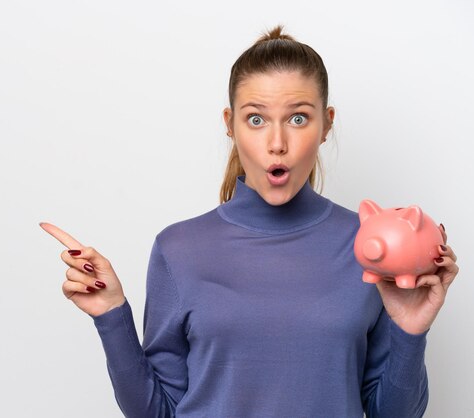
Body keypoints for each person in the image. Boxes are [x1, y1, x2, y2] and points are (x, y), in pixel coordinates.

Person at [39, 25, 459, 418]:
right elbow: (157, 410)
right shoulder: (179, 249)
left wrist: (410, 331)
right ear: (231, 125)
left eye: (298, 118)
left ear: (326, 124)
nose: (277, 144)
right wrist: (111, 314)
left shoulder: (367, 247)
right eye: (256, 119)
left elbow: (393, 413)